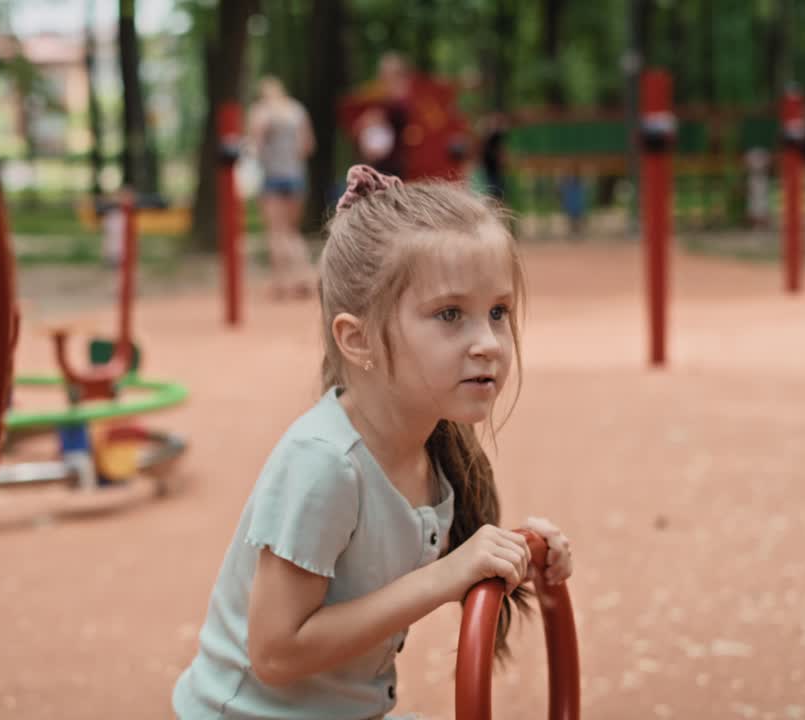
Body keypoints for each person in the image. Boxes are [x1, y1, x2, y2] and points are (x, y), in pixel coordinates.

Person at [171, 165, 574, 719]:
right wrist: (446, 575)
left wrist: (520, 553)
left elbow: (450, 565)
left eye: (498, 312)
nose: (488, 343)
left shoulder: (432, 446)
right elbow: (274, 652)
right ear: (357, 339)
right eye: (450, 314)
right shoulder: (325, 465)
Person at [248, 76, 317, 299]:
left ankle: (281, 284)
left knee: (276, 232)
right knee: (292, 232)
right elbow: (307, 146)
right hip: (295, 177)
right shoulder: (296, 111)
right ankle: (305, 276)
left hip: (272, 177)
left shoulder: (261, 112)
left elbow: (255, 146)